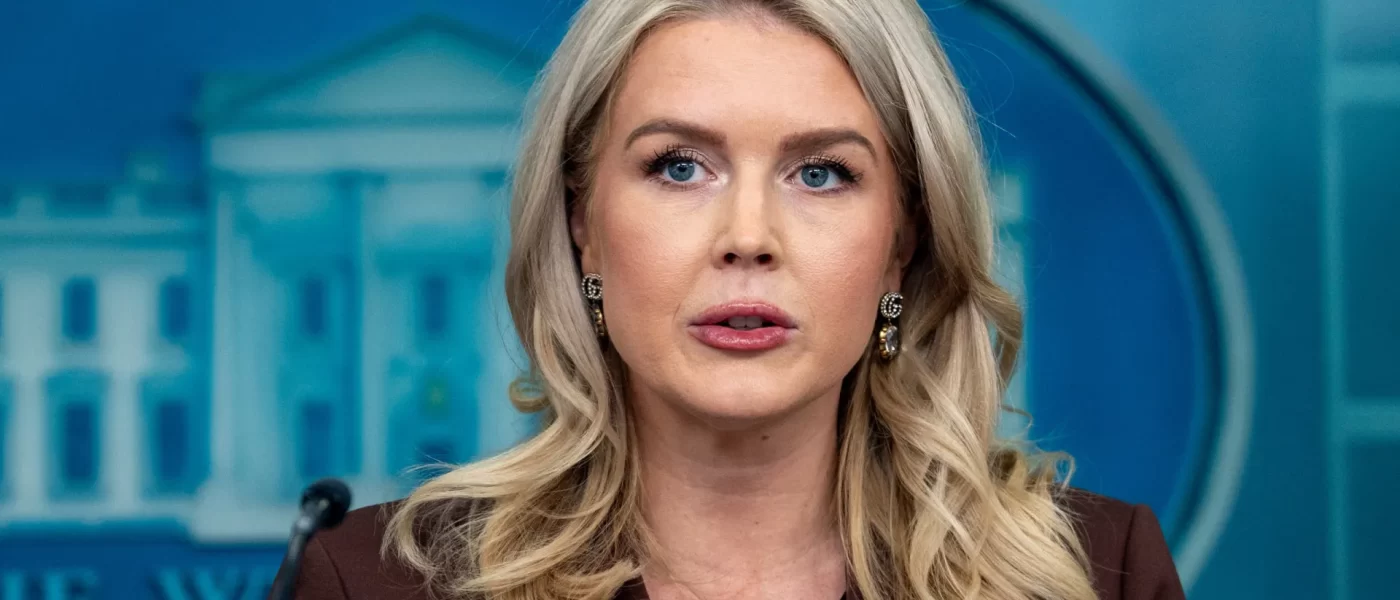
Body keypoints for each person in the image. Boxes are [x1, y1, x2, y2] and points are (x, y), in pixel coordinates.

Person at [286, 0, 1186, 598]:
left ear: (901, 244)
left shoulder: (1096, 577)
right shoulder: (378, 583)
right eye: (680, 167)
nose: (748, 235)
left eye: (821, 173)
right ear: (582, 224)